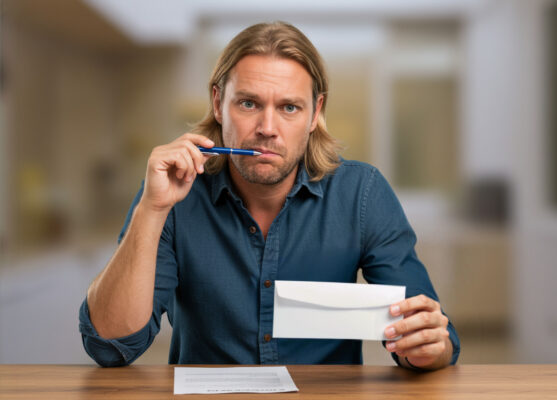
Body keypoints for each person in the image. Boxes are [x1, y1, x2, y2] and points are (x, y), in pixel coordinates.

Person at [79, 21, 460, 370]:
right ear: (218, 104)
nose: (267, 128)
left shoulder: (362, 193)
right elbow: (110, 346)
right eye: (249, 103)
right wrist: (152, 208)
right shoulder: (174, 193)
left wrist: (428, 347)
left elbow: (432, 341)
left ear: (315, 114)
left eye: (289, 107)